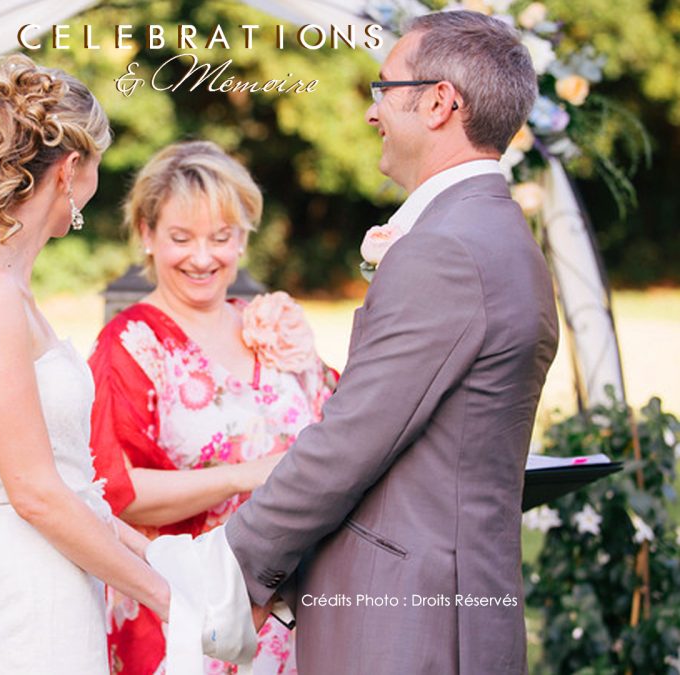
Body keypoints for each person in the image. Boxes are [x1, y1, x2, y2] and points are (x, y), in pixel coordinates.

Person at [218, 10, 559, 674]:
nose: (372, 111)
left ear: (439, 102)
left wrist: (233, 565)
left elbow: (351, 442)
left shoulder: (446, 250)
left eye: (384, 88)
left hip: (406, 625)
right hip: (460, 608)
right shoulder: (503, 237)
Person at [0, 54, 168, 674]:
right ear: (71, 171)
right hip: (21, 597)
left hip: (53, 576)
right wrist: (164, 598)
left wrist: (164, 559)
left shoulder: (5, 287)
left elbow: (69, 482)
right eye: (98, 166)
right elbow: (33, 493)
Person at [88, 140, 338, 675]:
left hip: (291, 614)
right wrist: (244, 476)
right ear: (147, 236)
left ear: (243, 239)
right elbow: (117, 494)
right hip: (183, 614)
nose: (203, 258)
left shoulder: (268, 324)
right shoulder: (130, 345)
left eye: (221, 238)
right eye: (181, 238)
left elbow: (342, 431)